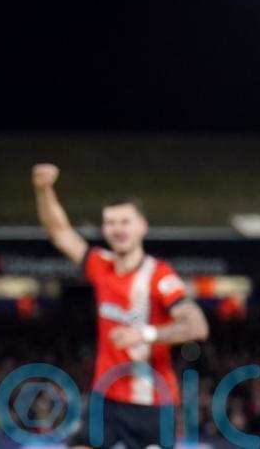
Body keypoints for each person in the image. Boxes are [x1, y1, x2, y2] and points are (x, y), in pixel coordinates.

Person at [32, 163, 209, 449]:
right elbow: (60, 233)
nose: (117, 229)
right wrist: (43, 189)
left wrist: (146, 334)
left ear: (142, 226)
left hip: (152, 403)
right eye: (111, 222)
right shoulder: (100, 265)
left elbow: (197, 326)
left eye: (125, 221)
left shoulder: (159, 276)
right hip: (106, 398)